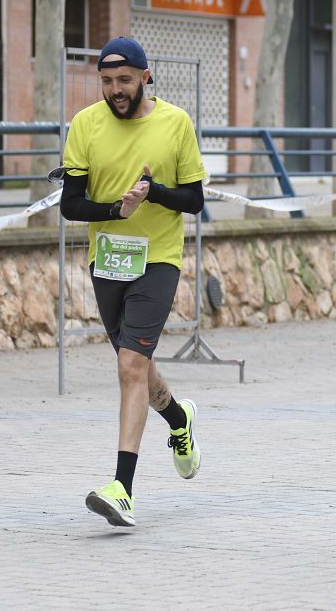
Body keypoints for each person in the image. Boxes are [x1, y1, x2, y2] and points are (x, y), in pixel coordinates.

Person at [59, 37, 206, 528]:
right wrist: (114, 211)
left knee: (129, 364)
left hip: (158, 259)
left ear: (145, 77)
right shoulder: (85, 125)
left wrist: (154, 193)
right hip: (109, 261)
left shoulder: (175, 122)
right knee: (135, 365)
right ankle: (179, 420)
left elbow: (195, 199)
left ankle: (122, 487)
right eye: (106, 81)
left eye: (124, 80)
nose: (115, 90)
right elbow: (70, 204)